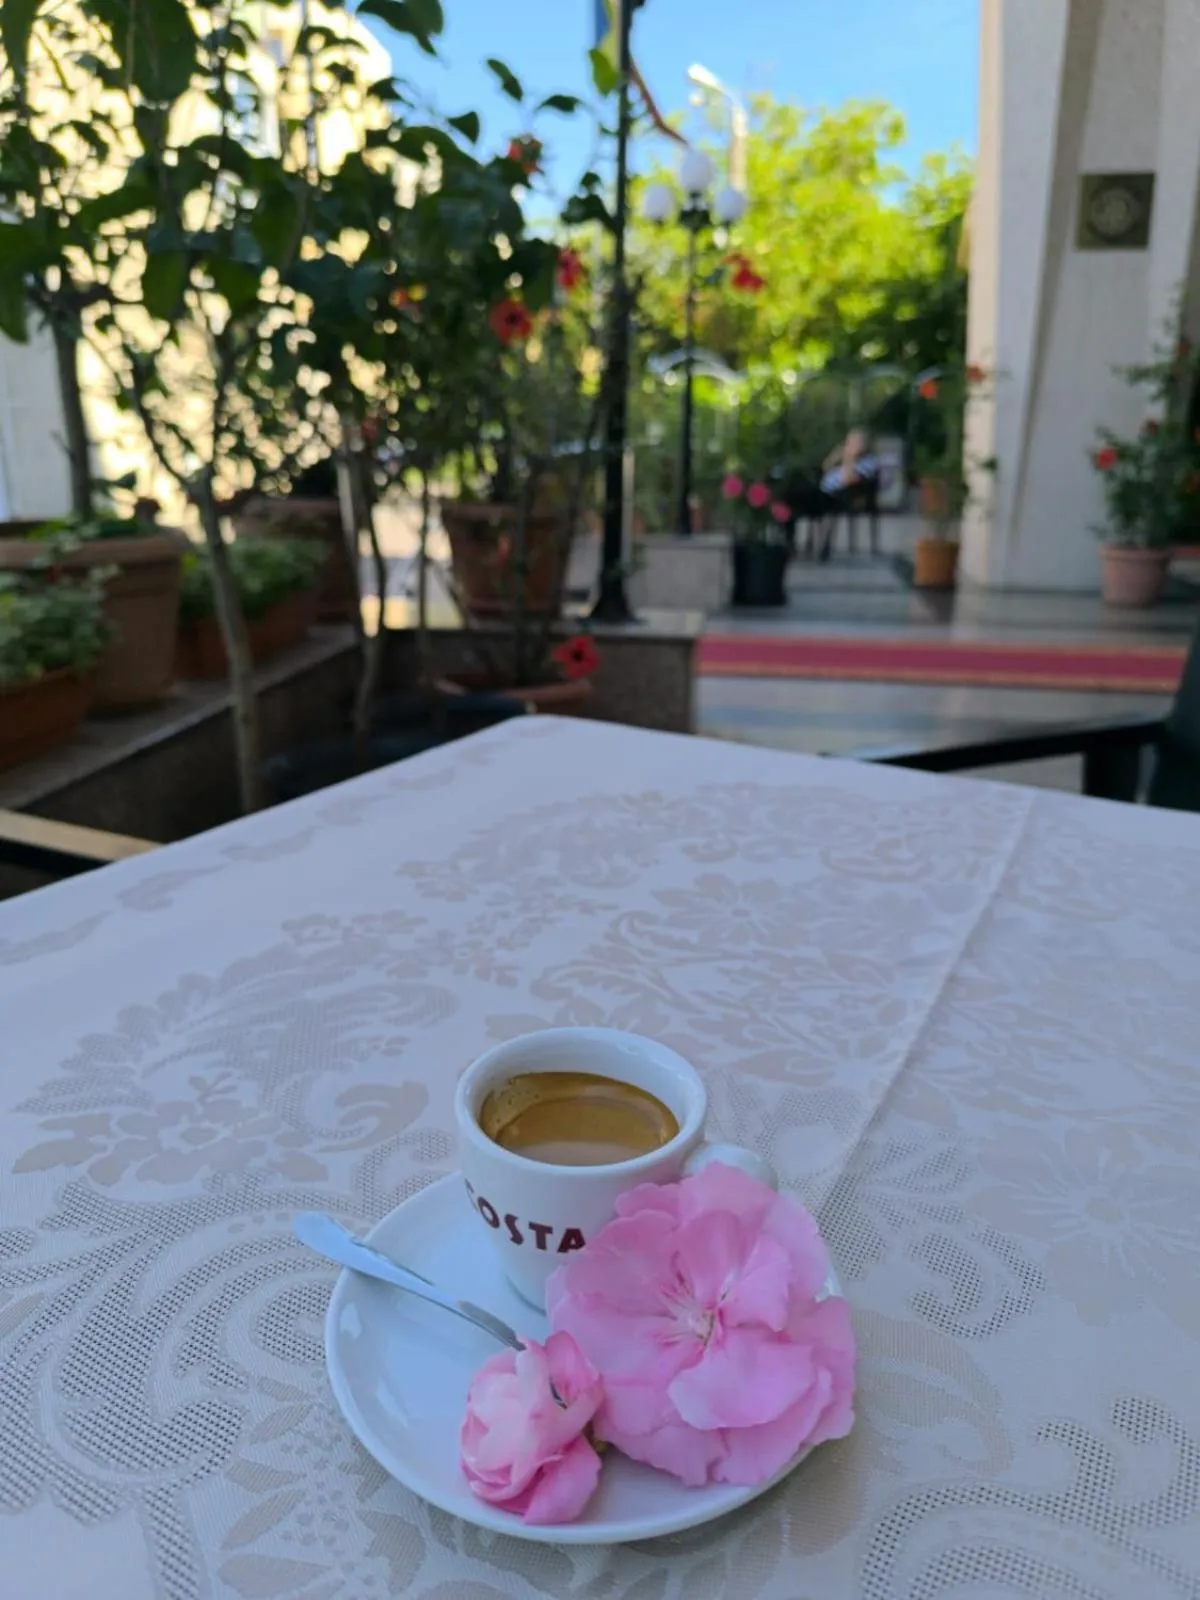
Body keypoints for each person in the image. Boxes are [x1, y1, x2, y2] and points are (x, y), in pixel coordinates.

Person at [820, 428, 881, 496]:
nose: (849, 446)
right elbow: (826, 468)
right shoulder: (844, 462)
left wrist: (849, 457)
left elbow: (849, 481)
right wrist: (835, 456)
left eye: (854, 443)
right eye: (848, 442)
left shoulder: (869, 462)